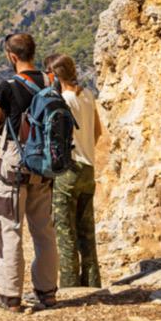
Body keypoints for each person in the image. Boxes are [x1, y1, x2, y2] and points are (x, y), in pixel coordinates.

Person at [0, 33, 59, 312]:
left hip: (15, 163)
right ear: (33, 52)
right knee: (44, 231)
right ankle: (47, 293)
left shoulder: (8, 85)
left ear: (11, 56)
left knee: (10, 228)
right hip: (45, 166)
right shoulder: (52, 81)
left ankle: (10, 296)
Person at [44, 53, 102, 288]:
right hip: (88, 168)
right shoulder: (87, 95)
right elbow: (97, 131)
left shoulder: (62, 101)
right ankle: (93, 284)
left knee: (66, 233)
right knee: (87, 233)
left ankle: (70, 288)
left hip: (68, 170)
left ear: (55, 76)